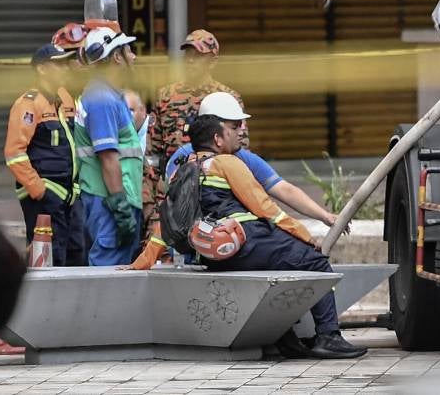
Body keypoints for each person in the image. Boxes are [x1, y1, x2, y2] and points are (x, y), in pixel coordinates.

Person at [133, 115, 366, 359]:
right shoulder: (227, 163)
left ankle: (285, 340)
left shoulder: (181, 172)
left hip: (214, 257)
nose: (239, 133)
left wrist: (143, 261)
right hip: (248, 242)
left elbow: (168, 224)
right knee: (314, 262)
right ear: (217, 139)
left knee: (278, 269)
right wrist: (306, 237)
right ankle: (329, 336)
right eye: (231, 130)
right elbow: (266, 208)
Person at [167, 92, 347, 232]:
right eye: (235, 126)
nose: (241, 131)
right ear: (216, 129)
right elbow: (172, 206)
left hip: (234, 248)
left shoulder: (244, 158)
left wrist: (325, 216)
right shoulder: (183, 159)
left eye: (241, 125)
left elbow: (284, 189)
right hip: (193, 249)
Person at [3, 44, 85, 266]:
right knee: (49, 258)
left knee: (76, 256)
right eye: (59, 64)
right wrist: (39, 190)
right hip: (43, 197)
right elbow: (14, 154)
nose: (65, 68)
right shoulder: (27, 104)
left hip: (71, 194)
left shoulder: (66, 99)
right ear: (42, 69)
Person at [74, 27, 143, 265]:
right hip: (110, 204)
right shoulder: (101, 98)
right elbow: (108, 158)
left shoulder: (111, 96)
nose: (133, 57)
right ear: (116, 57)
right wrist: (121, 208)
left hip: (116, 201)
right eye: (129, 51)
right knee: (107, 275)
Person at [150, 30, 247, 170]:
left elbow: (241, 148)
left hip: (215, 182)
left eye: (197, 56)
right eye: (187, 54)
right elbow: (152, 151)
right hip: (173, 182)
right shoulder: (166, 96)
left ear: (213, 62)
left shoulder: (228, 98)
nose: (190, 60)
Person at [125, 89, 163, 250]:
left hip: (156, 200)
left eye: (131, 111)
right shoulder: (121, 132)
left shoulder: (155, 131)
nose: (126, 116)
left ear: (143, 111)